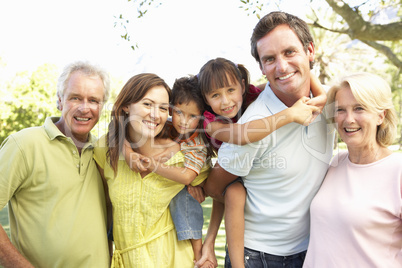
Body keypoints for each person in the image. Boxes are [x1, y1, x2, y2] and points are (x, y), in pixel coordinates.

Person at [197, 12, 334, 268]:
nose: (281, 67)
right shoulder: (254, 124)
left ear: (310, 51)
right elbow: (214, 188)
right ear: (261, 67)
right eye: (270, 59)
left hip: (314, 248)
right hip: (261, 257)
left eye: (290, 52)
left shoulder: (332, 102)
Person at [0, 61, 111, 268]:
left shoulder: (103, 153)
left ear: (101, 106)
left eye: (93, 100)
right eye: (75, 98)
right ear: (60, 101)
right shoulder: (24, 144)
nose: (84, 108)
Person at [94, 73, 196, 267]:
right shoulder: (104, 150)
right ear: (126, 105)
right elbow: (107, 209)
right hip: (126, 261)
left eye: (163, 108)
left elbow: (219, 191)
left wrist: (197, 186)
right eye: (147, 104)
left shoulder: (183, 154)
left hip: (175, 260)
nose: (155, 114)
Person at [303, 73, 401, 267]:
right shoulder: (335, 163)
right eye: (340, 110)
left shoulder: (398, 170)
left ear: (380, 115)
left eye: (359, 108)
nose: (348, 119)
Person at [123, 75, 215, 267]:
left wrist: (154, 165)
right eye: (179, 113)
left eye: (192, 117)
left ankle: (198, 253)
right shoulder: (163, 121)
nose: (183, 121)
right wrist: (128, 151)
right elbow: (119, 129)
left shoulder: (196, 142)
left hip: (192, 179)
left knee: (184, 198)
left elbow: (188, 176)